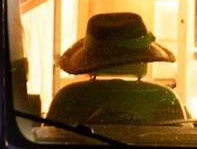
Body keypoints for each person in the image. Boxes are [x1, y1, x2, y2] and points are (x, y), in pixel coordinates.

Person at [48, 12, 185, 129]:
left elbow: (49, 146)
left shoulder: (69, 98)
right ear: (144, 59)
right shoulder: (164, 98)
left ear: (90, 62)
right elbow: (184, 142)